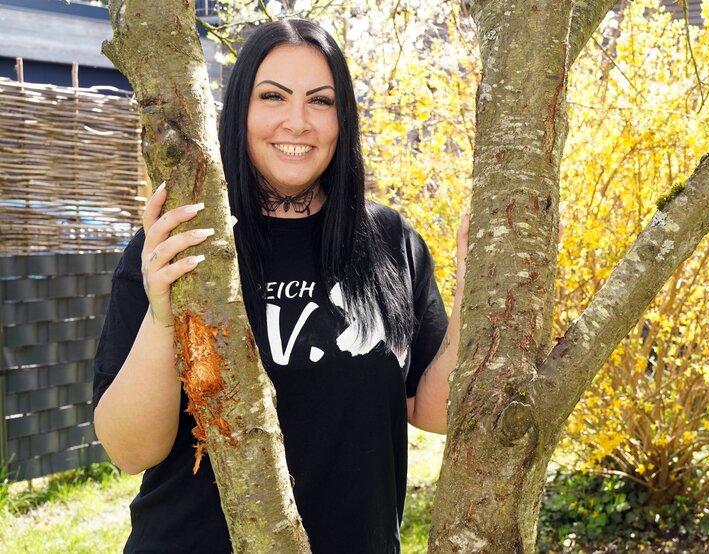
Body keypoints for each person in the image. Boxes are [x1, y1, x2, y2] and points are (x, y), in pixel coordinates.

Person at [93, 18, 469, 554]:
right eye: (273, 96)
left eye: (321, 101)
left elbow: (433, 411)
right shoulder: (183, 244)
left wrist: (475, 292)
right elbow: (129, 452)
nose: (298, 121)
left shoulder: (388, 241)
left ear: (343, 120)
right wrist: (162, 315)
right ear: (239, 110)